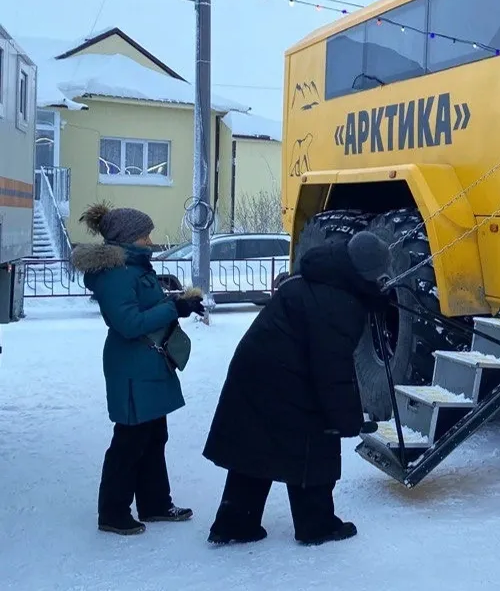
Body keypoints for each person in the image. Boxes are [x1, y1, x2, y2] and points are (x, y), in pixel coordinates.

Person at [202, 230, 392, 546]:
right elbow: (332, 373)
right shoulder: (338, 304)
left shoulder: (325, 277)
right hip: (284, 378)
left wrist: (375, 298)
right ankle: (317, 526)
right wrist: (345, 421)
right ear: (366, 274)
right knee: (316, 443)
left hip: (255, 372)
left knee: (255, 448)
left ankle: (235, 523)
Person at [71, 202, 206, 536]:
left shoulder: (135, 268)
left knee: (154, 435)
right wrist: (173, 308)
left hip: (150, 362)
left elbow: (148, 307)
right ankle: (113, 512)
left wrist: (180, 304)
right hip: (132, 366)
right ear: (128, 239)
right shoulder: (115, 274)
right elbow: (128, 324)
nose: (150, 241)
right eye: (145, 235)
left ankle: (155, 503)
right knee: (129, 440)